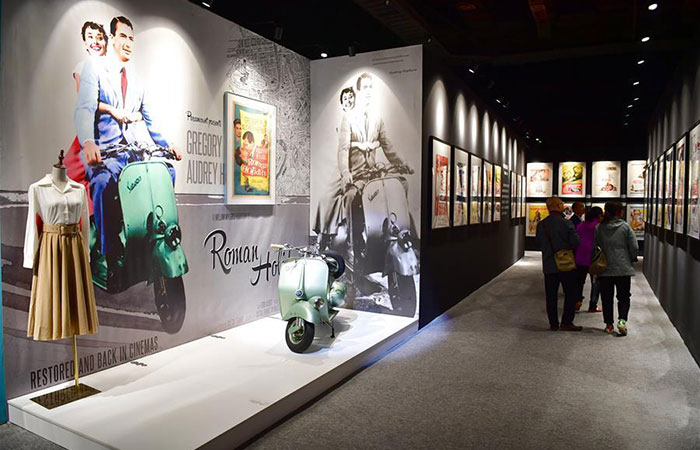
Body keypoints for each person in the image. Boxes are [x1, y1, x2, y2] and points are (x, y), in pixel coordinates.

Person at [74, 15, 181, 289]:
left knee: (166, 172)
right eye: (123, 36)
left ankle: (150, 235)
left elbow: (150, 118)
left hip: (131, 153)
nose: (128, 43)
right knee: (102, 184)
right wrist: (88, 142)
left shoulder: (137, 80)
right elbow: (85, 108)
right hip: (105, 152)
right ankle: (108, 255)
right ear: (111, 39)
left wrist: (167, 144)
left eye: (132, 38)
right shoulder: (95, 69)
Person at [536, 197, 582, 331]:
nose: (563, 205)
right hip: (565, 263)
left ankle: (553, 324)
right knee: (570, 293)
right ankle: (566, 322)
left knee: (551, 295)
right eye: (561, 204)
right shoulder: (566, 223)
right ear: (558, 206)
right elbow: (576, 241)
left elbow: (539, 243)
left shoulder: (542, 224)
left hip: (549, 264)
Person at [595, 202, 639, 335]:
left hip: (604, 268)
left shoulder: (599, 227)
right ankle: (622, 321)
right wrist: (631, 258)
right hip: (623, 268)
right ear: (619, 212)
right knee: (624, 296)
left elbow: (595, 246)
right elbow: (634, 247)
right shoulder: (625, 227)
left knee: (606, 298)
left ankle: (609, 325)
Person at [575, 206, 603, 312]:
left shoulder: (580, 225)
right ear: (599, 215)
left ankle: (577, 302)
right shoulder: (599, 226)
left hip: (580, 257)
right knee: (595, 283)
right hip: (594, 258)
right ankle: (592, 305)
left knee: (579, 282)